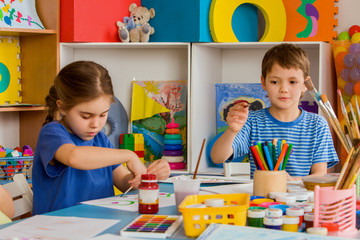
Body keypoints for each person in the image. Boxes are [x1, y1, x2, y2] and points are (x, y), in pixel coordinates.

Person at [32, 61, 171, 215]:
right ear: (62, 106)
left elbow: (124, 183)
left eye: (103, 115)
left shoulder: (100, 139)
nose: (96, 124)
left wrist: (145, 177)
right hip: (57, 229)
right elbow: (74, 156)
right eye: (86, 116)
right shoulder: (52, 133)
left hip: (99, 224)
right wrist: (129, 155)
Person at [211, 43, 339, 181]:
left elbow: (320, 175)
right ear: (263, 82)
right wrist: (232, 131)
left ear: (305, 85)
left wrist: (292, 181)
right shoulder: (252, 121)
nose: (284, 89)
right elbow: (217, 157)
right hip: (262, 200)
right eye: (274, 82)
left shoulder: (317, 125)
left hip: (302, 200)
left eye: (293, 82)